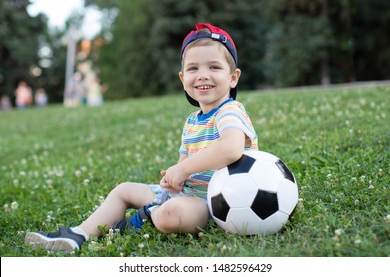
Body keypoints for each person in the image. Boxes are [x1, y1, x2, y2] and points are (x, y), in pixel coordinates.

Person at [25, 23, 259, 251]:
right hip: (188, 195)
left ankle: (147, 215)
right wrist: (174, 179)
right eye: (193, 68)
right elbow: (182, 166)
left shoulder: (230, 111)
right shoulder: (192, 121)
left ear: (233, 77)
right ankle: (80, 233)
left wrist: (184, 169)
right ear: (182, 79)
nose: (203, 75)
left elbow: (231, 148)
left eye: (214, 67)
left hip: (217, 203)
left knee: (170, 214)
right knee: (124, 190)